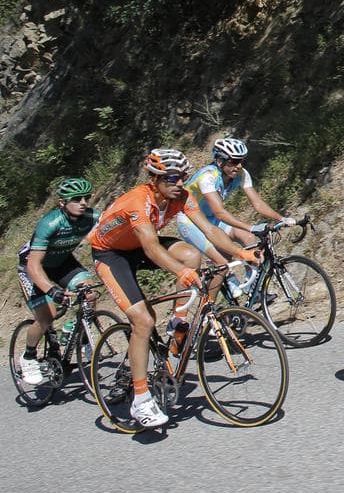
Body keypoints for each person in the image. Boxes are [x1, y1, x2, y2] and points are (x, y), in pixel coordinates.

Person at [87, 148, 259, 428]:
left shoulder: (180, 197)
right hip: (111, 254)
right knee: (143, 320)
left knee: (193, 255)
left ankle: (177, 322)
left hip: (139, 246)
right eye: (171, 178)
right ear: (153, 178)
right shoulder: (138, 202)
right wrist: (182, 272)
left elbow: (210, 230)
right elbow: (152, 248)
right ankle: (141, 400)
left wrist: (242, 254)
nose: (179, 183)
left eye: (182, 177)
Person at [176, 138, 295, 294]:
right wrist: (251, 227)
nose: (238, 166)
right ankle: (217, 296)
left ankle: (253, 289)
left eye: (242, 161)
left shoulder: (241, 174)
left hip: (211, 219)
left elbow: (257, 203)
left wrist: (281, 219)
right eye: (233, 161)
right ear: (220, 161)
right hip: (190, 221)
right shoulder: (207, 177)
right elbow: (219, 212)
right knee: (223, 261)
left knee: (248, 238)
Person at [15, 178, 100, 386]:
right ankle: (28, 357)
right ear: (62, 203)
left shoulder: (91, 217)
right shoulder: (50, 223)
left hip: (62, 262)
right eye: (76, 199)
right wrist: (52, 290)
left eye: (86, 198)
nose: (83, 202)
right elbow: (34, 265)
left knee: (89, 292)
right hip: (33, 266)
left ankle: (72, 331)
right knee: (47, 316)